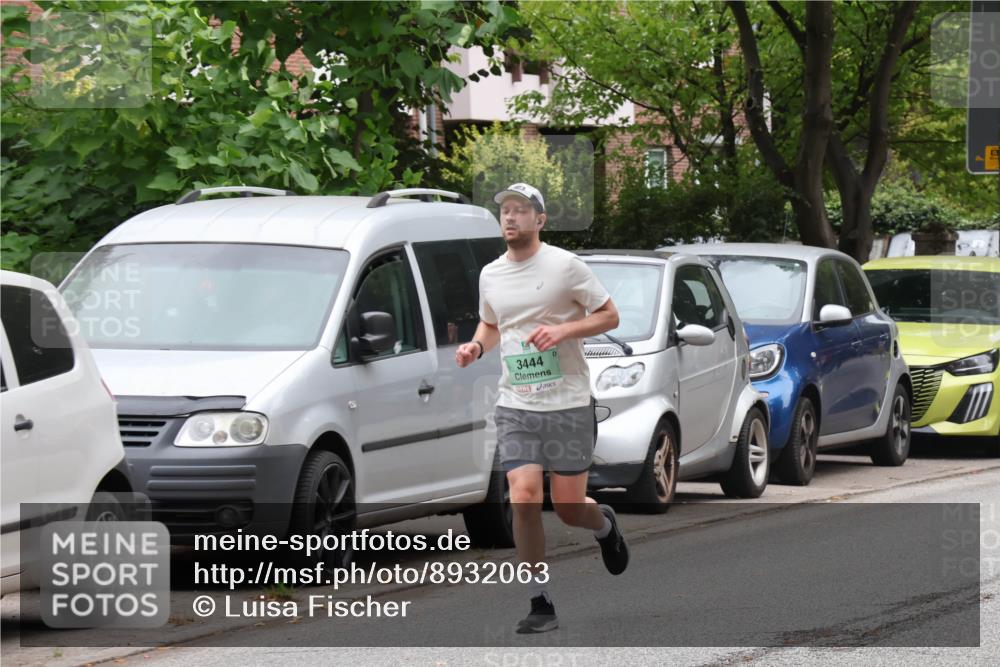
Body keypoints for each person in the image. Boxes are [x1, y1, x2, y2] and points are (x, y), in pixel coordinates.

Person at [455, 183, 629, 634]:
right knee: (524, 496)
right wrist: (476, 345)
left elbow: (610, 316)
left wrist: (564, 331)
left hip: (568, 402)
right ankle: (540, 600)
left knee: (569, 507)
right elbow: (493, 324)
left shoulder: (565, 266)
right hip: (516, 403)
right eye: (505, 211)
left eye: (520, 211)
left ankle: (604, 524)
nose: (510, 218)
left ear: (540, 220)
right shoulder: (491, 274)